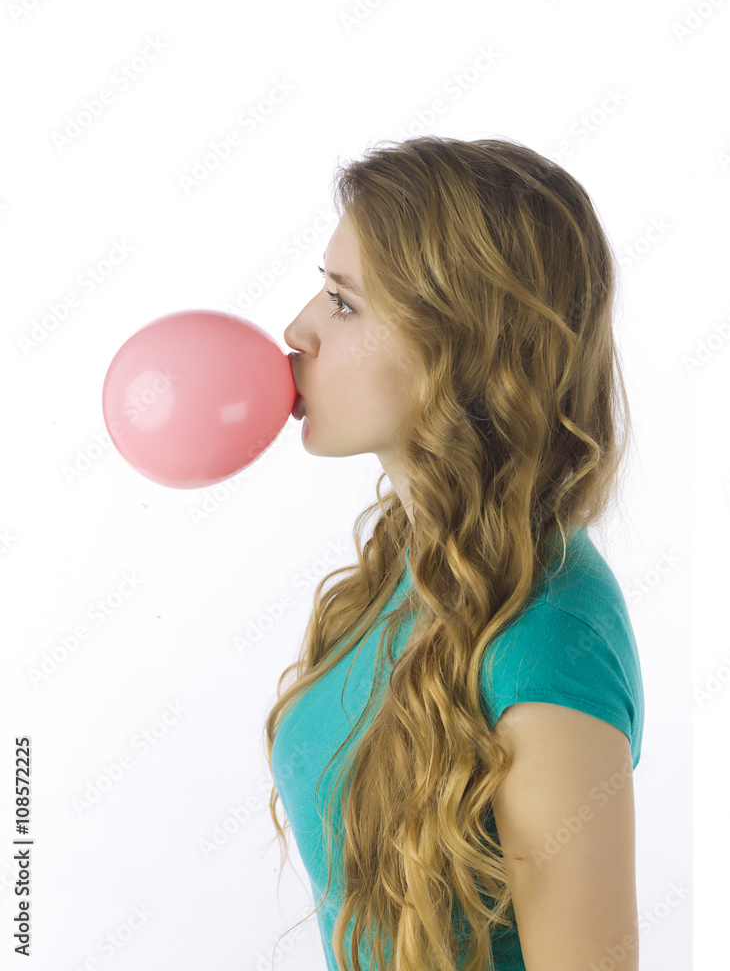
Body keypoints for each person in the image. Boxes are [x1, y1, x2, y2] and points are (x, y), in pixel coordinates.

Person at [264, 135, 644, 971]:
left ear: (462, 346)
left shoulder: (547, 640)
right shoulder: (412, 563)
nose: (295, 331)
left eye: (343, 303)